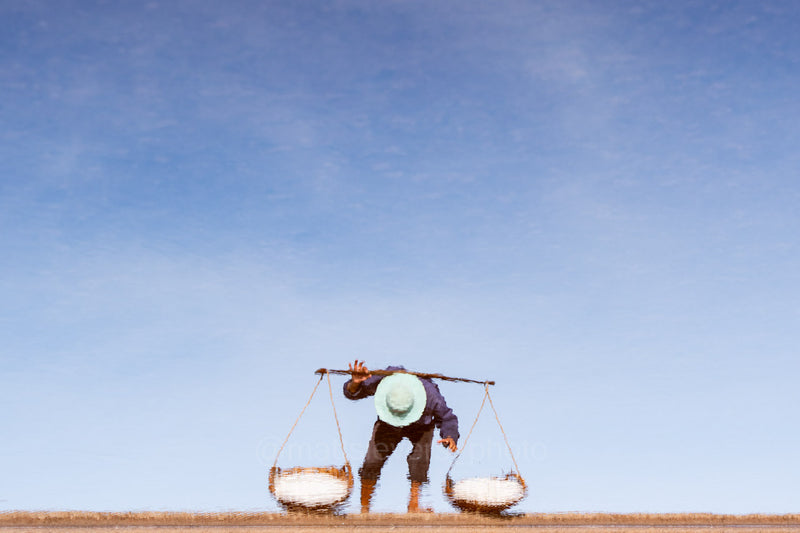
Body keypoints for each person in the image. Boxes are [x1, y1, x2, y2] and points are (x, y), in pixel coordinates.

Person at [343, 359, 459, 513]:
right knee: (373, 459)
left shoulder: (431, 395)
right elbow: (353, 392)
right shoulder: (384, 379)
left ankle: (414, 504)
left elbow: (446, 417)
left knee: (420, 458)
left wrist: (450, 435)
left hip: (421, 425)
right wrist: (355, 383)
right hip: (389, 423)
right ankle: (364, 507)